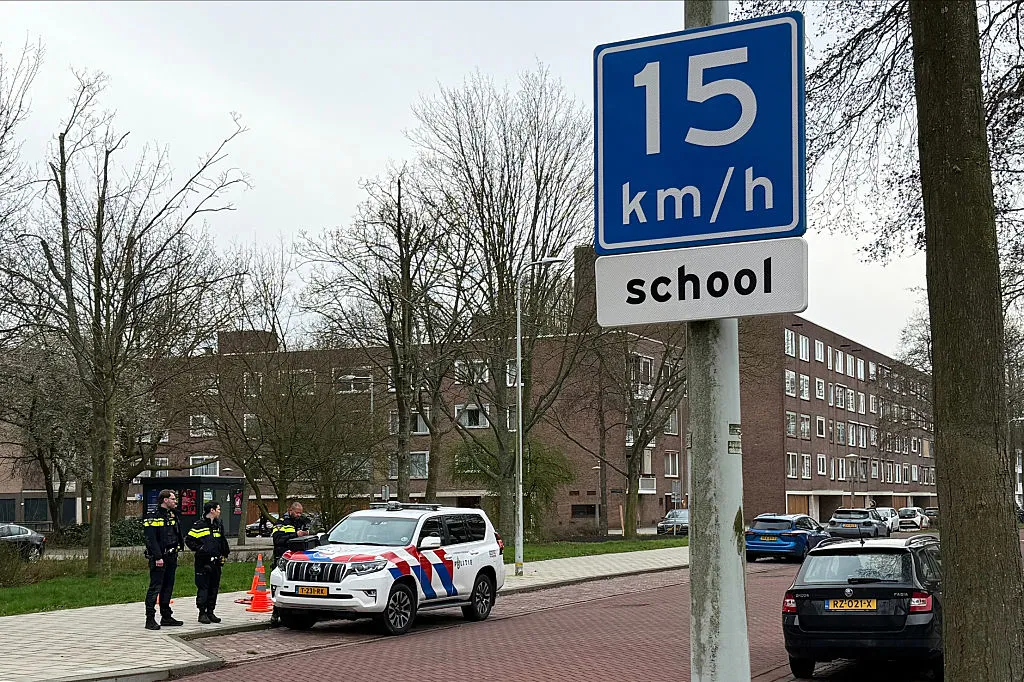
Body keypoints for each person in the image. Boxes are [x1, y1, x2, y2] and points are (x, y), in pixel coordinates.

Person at [143, 489, 185, 630]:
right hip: (159, 558)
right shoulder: (152, 517)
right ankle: (150, 619)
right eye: (173, 499)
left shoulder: (172, 515)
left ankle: (166, 616)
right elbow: (151, 539)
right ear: (165, 500)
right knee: (155, 588)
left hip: (171, 556)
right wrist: (158, 556)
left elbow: (176, 533)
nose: (175, 501)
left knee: (168, 587)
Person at [185, 501, 230, 624]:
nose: (219, 512)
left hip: (216, 563)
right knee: (203, 588)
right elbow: (189, 540)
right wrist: (201, 549)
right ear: (212, 510)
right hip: (203, 563)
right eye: (218, 509)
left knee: (214, 588)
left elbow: (222, 541)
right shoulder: (199, 525)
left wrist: (224, 554)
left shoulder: (218, 525)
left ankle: (211, 612)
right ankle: (202, 613)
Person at [269, 501, 311, 628]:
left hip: (298, 559)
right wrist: (295, 535)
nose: (299, 515)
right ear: (290, 510)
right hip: (282, 557)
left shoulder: (300, 521)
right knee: (280, 586)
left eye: (300, 513)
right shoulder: (281, 522)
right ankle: (275, 615)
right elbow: (277, 540)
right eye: (297, 512)